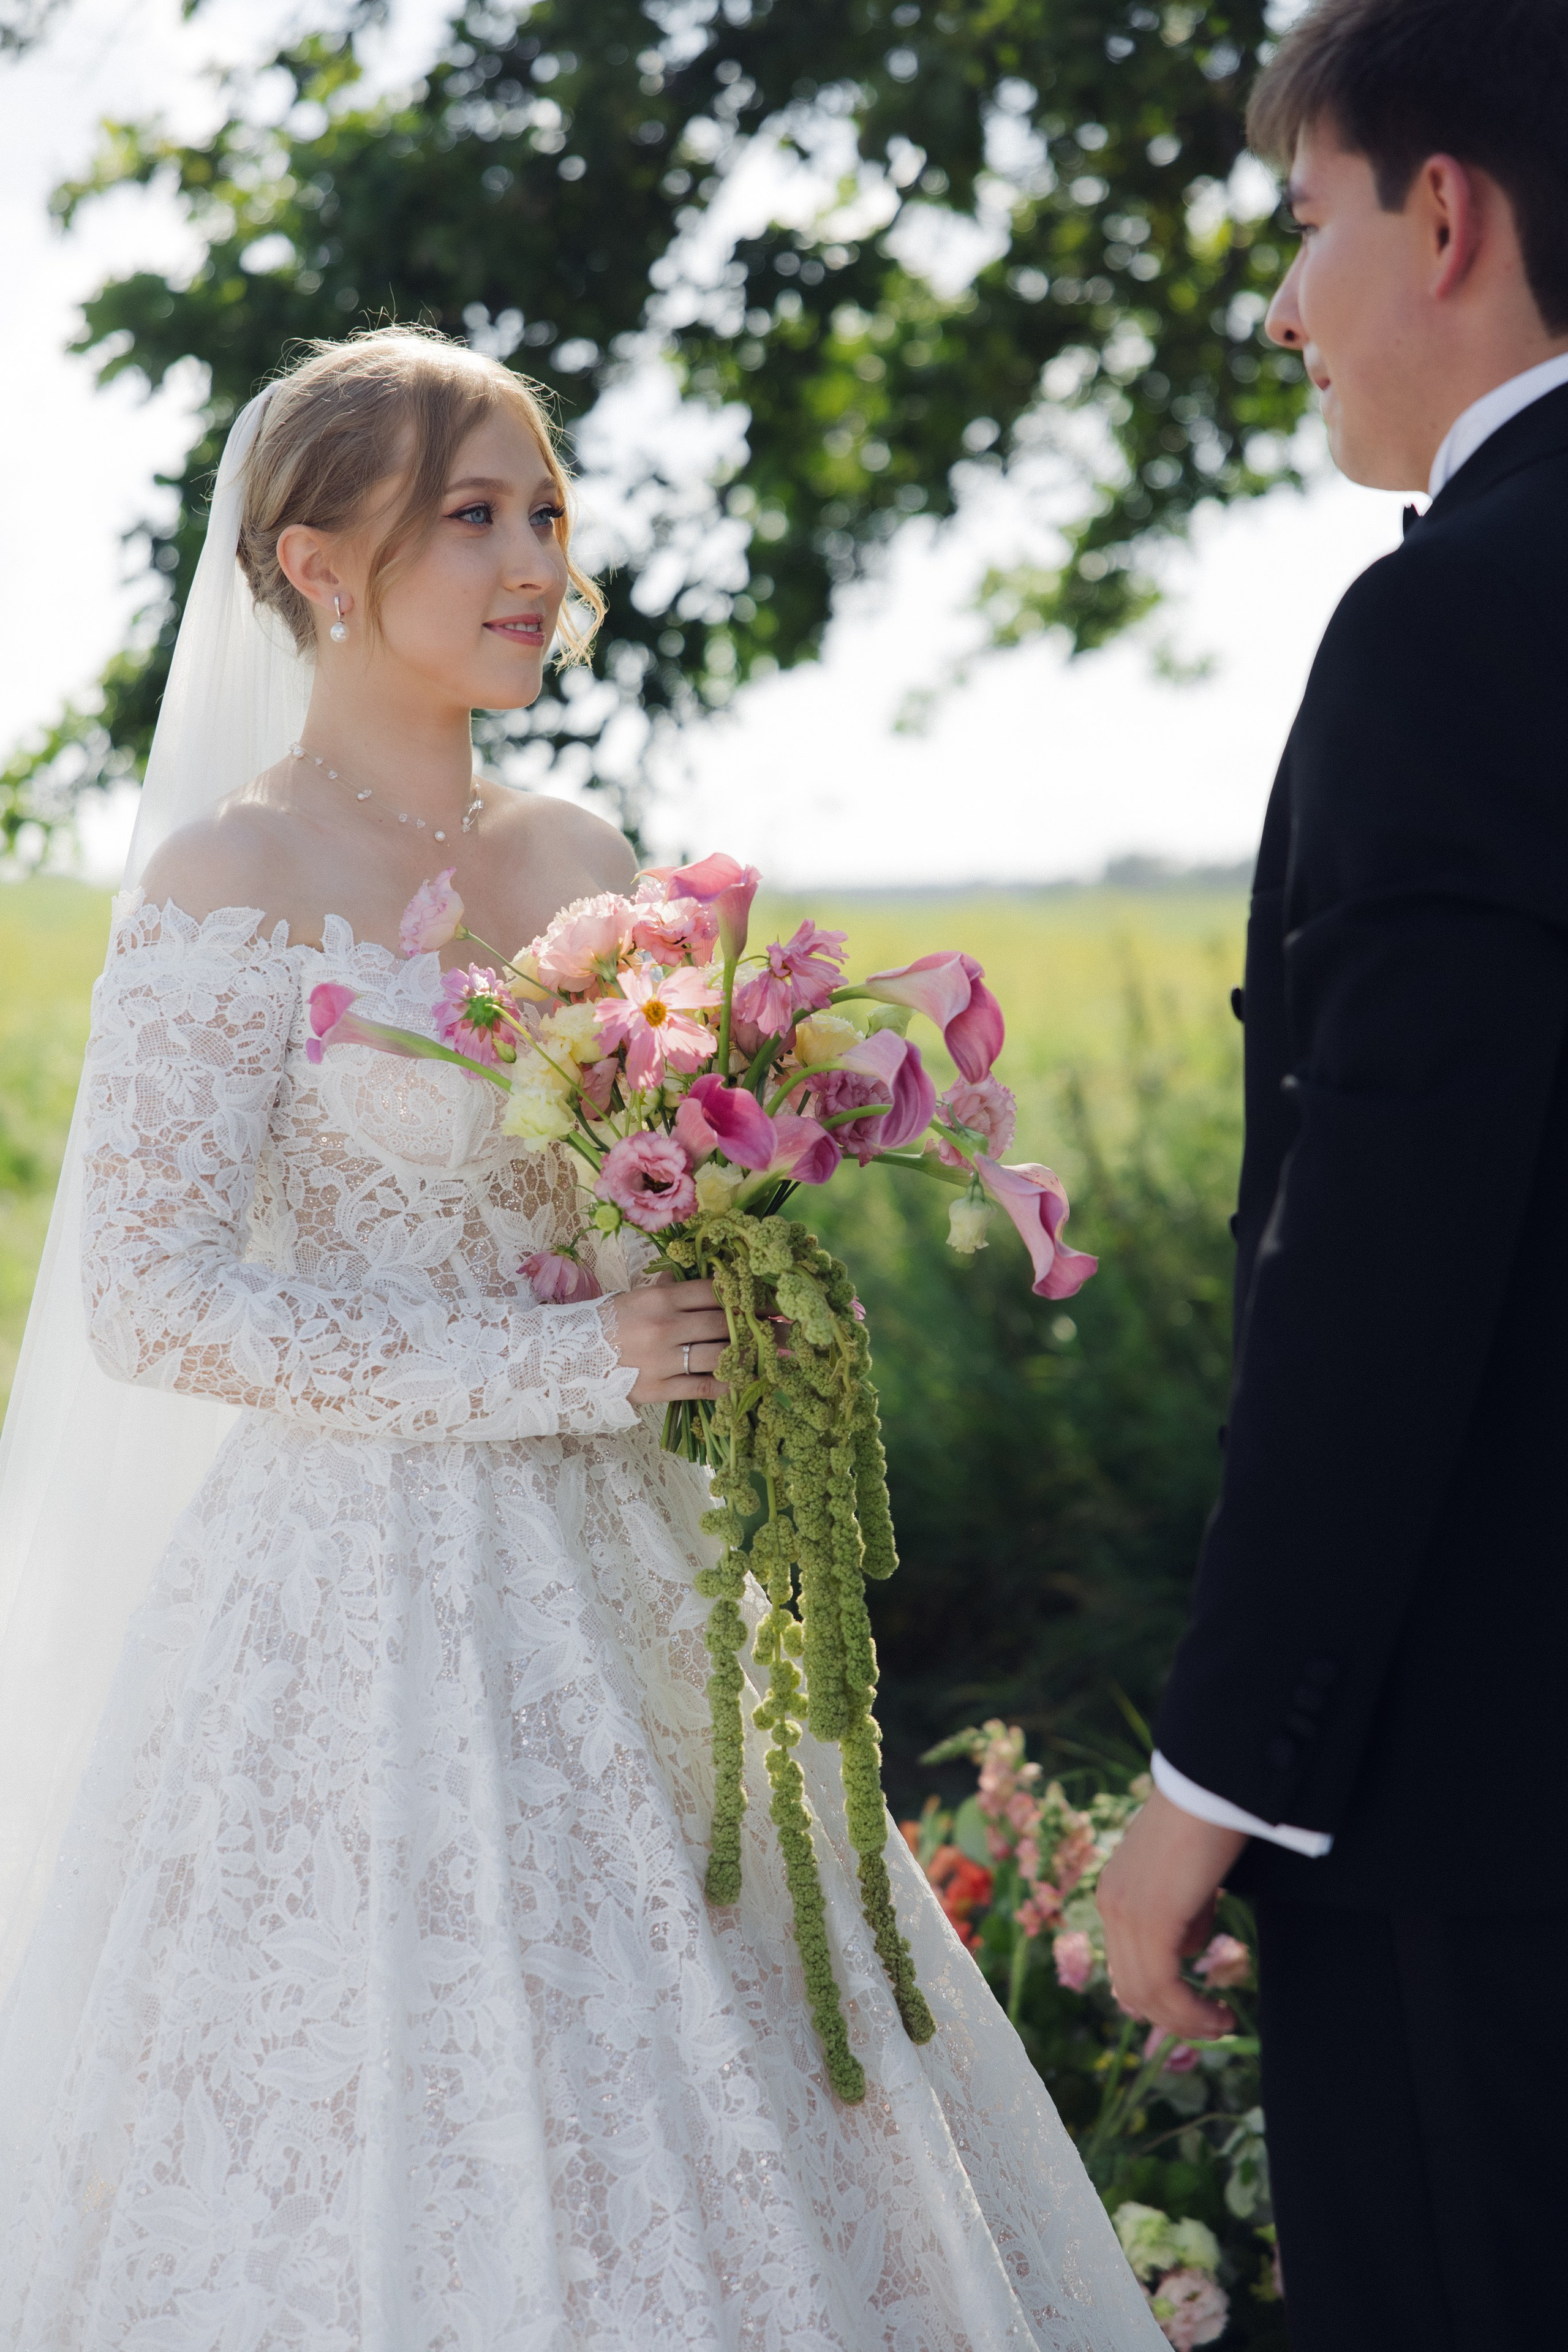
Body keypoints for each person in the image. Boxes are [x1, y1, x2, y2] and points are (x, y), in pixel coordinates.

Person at [0, 326, 1161, 2349]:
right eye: (475, 515)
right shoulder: (228, 879)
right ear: (309, 564)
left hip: (630, 1562)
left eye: (548, 511)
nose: (538, 558)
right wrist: (568, 1366)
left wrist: (752, 1283)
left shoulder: (583, 862)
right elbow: (153, 1300)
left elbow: (650, 1188)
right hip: (342, 1603)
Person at [1096, 3, 1568, 2347]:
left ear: (1449, 216)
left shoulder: (1457, 628)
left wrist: (1217, 1770)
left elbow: (1384, 1262)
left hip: (1491, 1804)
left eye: (1305, 228)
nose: (1279, 306)